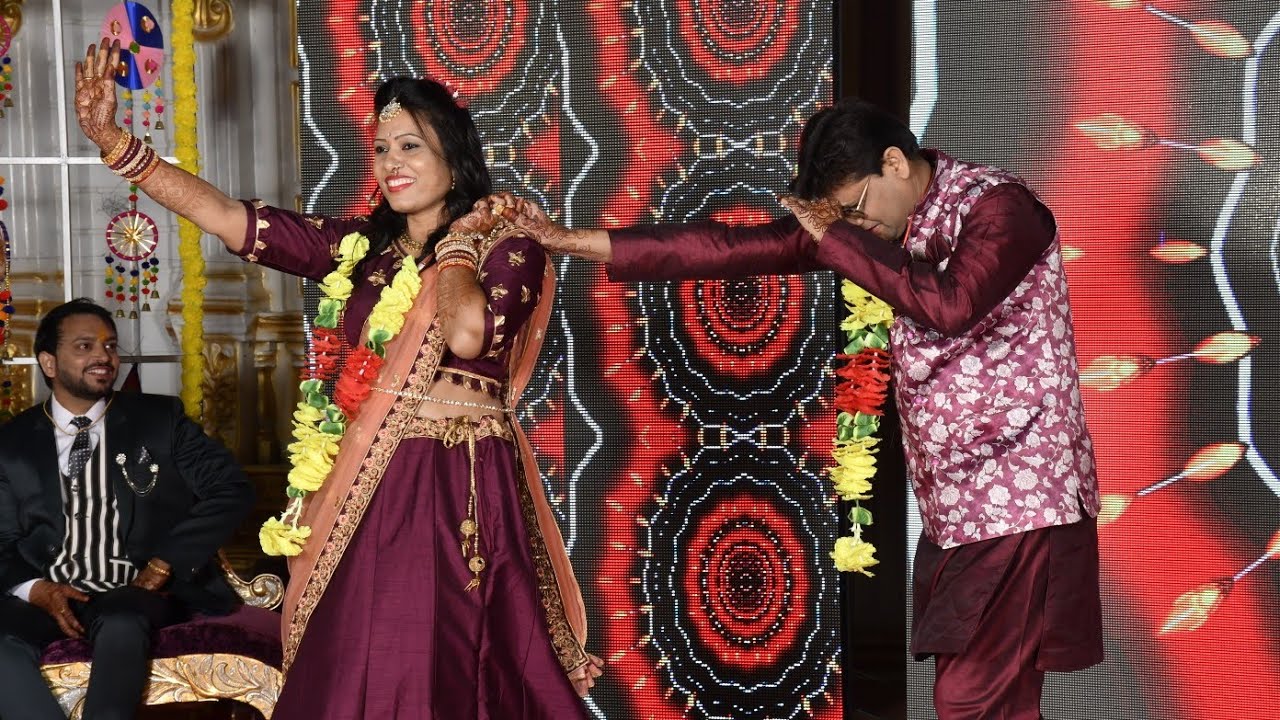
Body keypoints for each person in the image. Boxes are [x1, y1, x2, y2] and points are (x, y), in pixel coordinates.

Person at [495, 97, 1103, 719]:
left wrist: (834, 236)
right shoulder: (874, 229)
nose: (854, 230)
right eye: (843, 220)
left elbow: (951, 304)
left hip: (1022, 490)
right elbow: (726, 248)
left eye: (857, 210)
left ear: (896, 163)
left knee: (973, 699)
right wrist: (563, 240)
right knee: (995, 697)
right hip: (958, 503)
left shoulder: (999, 207)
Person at [73, 38, 601, 719]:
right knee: (360, 652)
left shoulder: (510, 245)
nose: (391, 165)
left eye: (410, 146)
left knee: (457, 657)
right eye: (382, 150)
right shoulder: (359, 250)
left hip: (457, 484)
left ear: (452, 153)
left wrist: (461, 242)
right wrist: (119, 144)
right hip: (367, 485)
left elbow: (468, 332)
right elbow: (234, 220)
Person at [0, 299, 254, 720]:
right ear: (49, 362)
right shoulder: (12, 443)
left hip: (135, 591)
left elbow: (231, 488)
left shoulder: (159, 419)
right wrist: (36, 589)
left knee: (121, 621)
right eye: (84, 346)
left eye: (110, 346)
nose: (103, 356)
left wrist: (165, 562)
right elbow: (3, 540)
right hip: (50, 593)